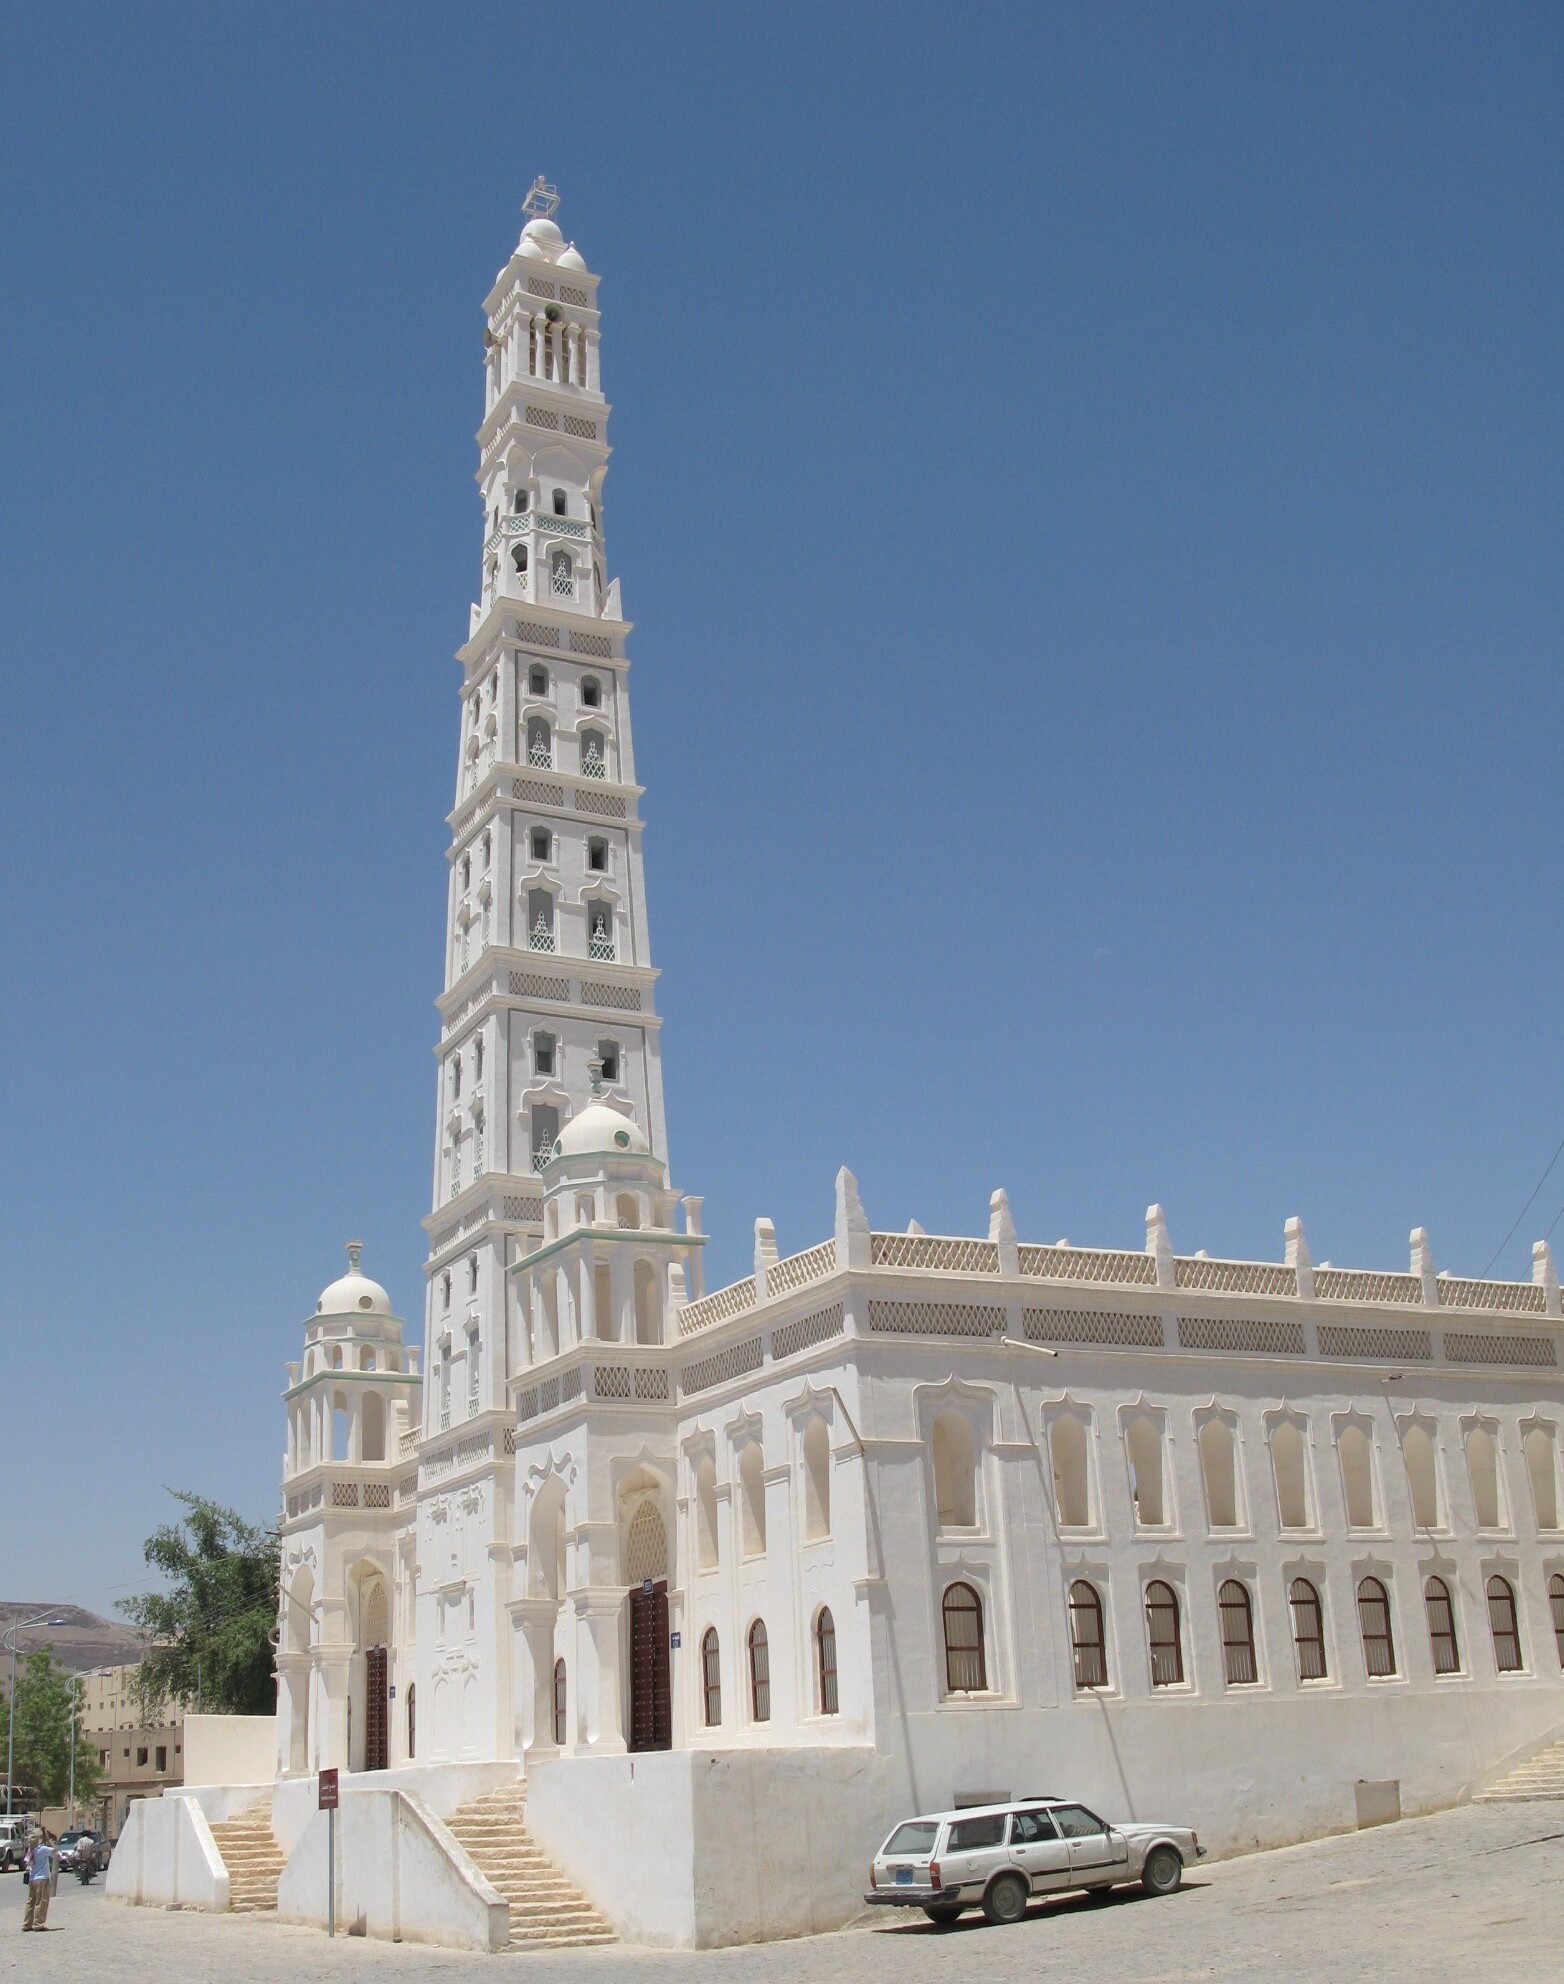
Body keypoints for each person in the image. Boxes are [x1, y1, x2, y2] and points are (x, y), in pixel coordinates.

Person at [22, 1831, 55, 1931]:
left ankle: (27, 1924)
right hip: (42, 1879)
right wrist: (49, 1840)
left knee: (30, 1902)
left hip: (32, 1879)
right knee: (41, 1902)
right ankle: (38, 1924)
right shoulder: (42, 1849)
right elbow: (55, 1851)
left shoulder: (30, 1851)